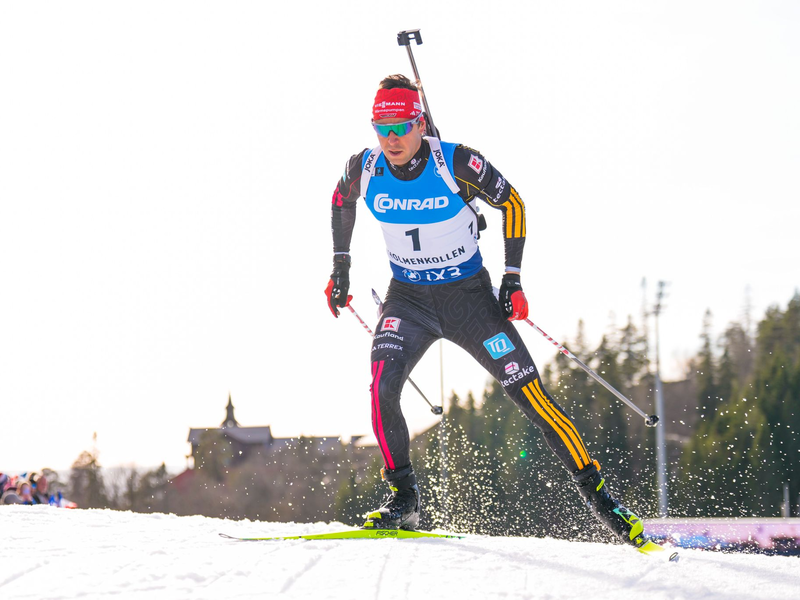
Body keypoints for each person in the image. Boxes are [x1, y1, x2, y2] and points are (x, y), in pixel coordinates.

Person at [326, 74, 649, 548]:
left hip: (469, 301)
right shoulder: (366, 166)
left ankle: (604, 502)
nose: (391, 139)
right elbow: (340, 201)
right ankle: (404, 500)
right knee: (381, 388)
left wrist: (512, 278)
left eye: (401, 127)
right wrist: (341, 268)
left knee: (531, 396)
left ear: (420, 123)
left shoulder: (456, 161)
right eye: (382, 127)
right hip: (408, 300)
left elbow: (512, 202)